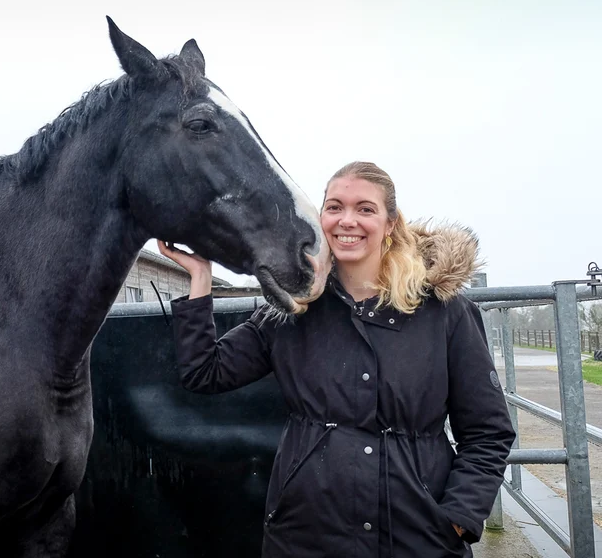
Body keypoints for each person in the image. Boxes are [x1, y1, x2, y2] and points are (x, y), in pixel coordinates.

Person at [159, 161, 515, 557]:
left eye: (365, 208)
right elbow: (205, 372)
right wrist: (199, 277)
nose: (348, 220)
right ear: (320, 217)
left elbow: (488, 432)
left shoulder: (445, 313)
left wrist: (458, 517)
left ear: (391, 223)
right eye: (335, 207)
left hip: (418, 535)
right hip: (307, 533)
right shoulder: (291, 309)